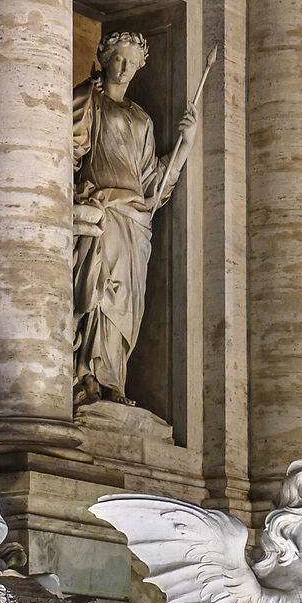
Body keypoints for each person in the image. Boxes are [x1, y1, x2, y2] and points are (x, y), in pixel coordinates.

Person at [71, 31, 200, 405]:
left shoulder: (142, 120)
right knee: (100, 294)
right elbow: (67, 152)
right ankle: (87, 375)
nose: (125, 67)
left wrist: (185, 145)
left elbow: (151, 186)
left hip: (136, 222)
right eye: (118, 58)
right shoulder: (89, 100)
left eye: (132, 62)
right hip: (104, 213)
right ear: (104, 58)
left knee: (124, 303)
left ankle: (112, 379)